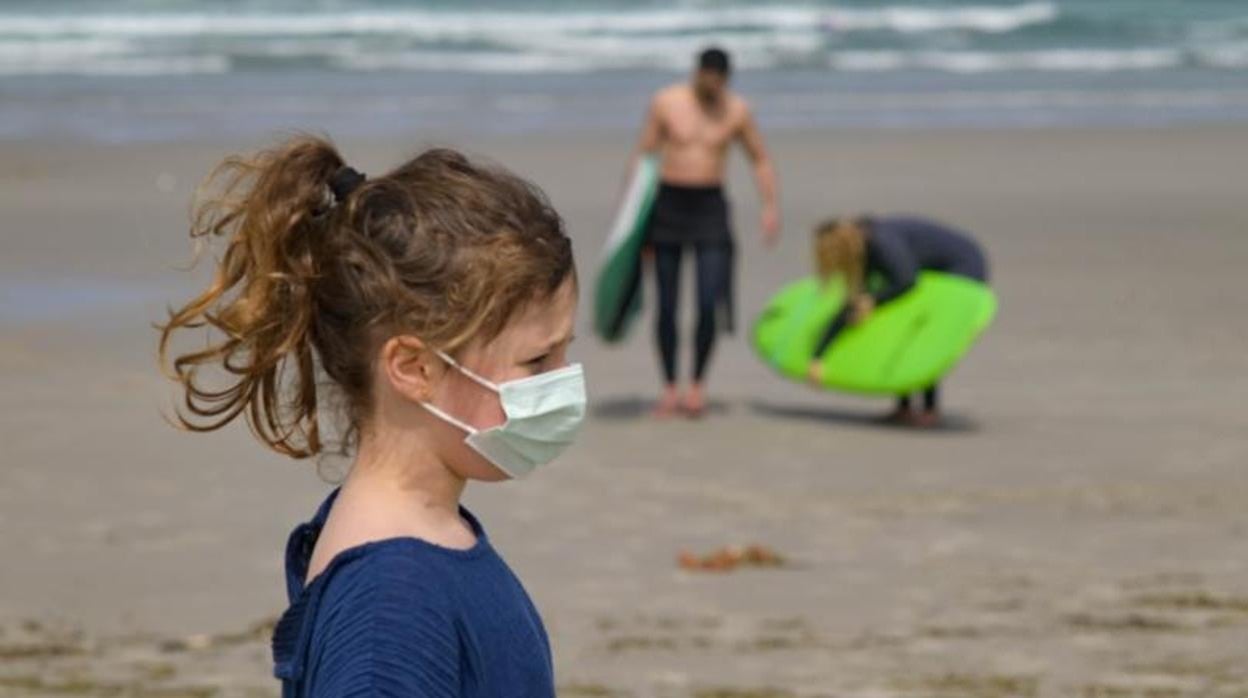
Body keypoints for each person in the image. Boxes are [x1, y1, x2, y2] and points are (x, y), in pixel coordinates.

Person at [158, 137, 584, 697]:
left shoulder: (431, 538)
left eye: (563, 353)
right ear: (413, 368)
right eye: (537, 360)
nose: (563, 380)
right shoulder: (392, 609)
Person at [630, 46, 780, 418]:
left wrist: (770, 207)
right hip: (667, 206)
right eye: (706, 77)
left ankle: (696, 387)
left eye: (718, 80)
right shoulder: (666, 102)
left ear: (726, 79)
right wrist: (631, 220)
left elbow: (759, 159)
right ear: (697, 72)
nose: (711, 85)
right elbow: (644, 156)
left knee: (709, 302)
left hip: (710, 208)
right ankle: (669, 389)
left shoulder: (737, 111)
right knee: (666, 305)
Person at [808, 216, 989, 427]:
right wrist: (818, 357)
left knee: (922, 335)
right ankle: (904, 407)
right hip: (925, 269)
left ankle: (930, 409)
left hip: (963, 266)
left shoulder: (882, 244)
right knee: (898, 325)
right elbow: (852, 305)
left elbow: (906, 281)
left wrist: (873, 300)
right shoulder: (862, 249)